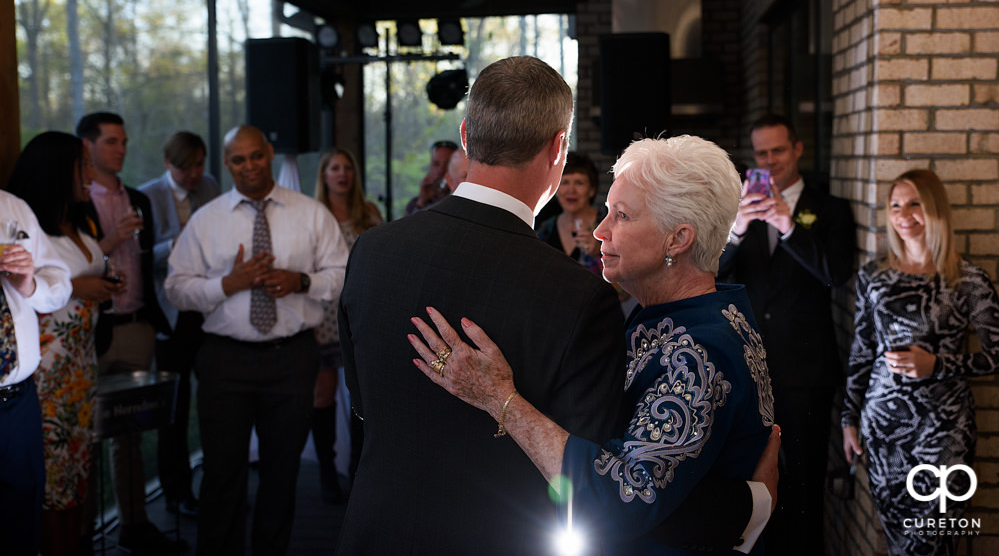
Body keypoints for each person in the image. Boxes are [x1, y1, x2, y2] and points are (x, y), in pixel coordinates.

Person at [338, 56, 774, 555]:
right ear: (558, 148)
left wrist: (503, 399)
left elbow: (614, 492)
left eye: (621, 213)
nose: (601, 229)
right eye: (607, 209)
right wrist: (750, 503)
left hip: (374, 531)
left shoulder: (371, 252)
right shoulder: (576, 294)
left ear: (465, 135)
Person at [166, 126, 348, 556]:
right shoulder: (207, 220)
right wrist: (228, 284)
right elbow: (177, 287)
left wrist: (300, 280)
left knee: (281, 475)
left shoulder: (311, 213)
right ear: (226, 164)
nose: (248, 166)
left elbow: (343, 275)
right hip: (224, 362)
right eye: (237, 160)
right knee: (222, 474)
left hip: (292, 358)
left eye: (255, 156)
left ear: (269, 153)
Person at [842, 169, 999, 555]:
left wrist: (938, 366)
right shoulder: (873, 277)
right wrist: (848, 419)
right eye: (895, 205)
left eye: (914, 203)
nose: (903, 213)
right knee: (900, 542)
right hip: (883, 431)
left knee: (933, 541)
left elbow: (997, 355)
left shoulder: (968, 280)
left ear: (935, 208)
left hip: (944, 431)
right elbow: (861, 352)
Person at [717, 114, 855, 555]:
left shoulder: (829, 208)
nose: (770, 160)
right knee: (750, 477)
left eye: (778, 150)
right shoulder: (740, 208)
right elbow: (710, 274)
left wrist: (789, 225)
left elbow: (836, 273)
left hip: (806, 371)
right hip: (749, 368)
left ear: (797, 149)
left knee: (805, 479)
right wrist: (736, 230)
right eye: (761, 153)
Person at [75, 112, 180, 552]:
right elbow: (70, 269)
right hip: (92, 331)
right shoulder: (76, 203)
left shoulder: (137, 196)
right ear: (88, 147)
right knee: (85, 435)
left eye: (124, 140)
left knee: (131, 432)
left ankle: (134, 524)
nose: (122, 148)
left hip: (137, 325)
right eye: (112, 141)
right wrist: (114, 238)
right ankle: (81, 532)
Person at [6, 132, 114, 556]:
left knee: (73, 475)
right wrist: (83, 287)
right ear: (56, 171)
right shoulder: (27, 221)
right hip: (49, 371)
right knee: (51, 483)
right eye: (82, 166)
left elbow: (61, 279)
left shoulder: (76, 220)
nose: (91, 175)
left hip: (80, 366)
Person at [139, 131, 221, 518]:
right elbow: (143, 260)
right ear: (167, 164)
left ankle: (218, 484)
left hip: (207, 310)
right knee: (174, 408)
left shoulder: (210, 186)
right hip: (169, 314)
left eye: (199, 165)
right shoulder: (147, 195)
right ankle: (176, 491)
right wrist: (179, 245)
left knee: (215, 401)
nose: (193, 174)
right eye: (184, 167)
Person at [0, 189, 73, 556]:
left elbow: (60, 283)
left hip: (19, 402)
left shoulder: (13, 206)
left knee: (22, 518)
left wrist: (28, 283)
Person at [311, 147, 382, 503]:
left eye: (347, 168)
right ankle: (326, 473)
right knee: (322, 394)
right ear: (323, 176)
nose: (342, 174)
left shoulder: (368, 212)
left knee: (361, 392)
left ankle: (358, 471)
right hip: (322, 313)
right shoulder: (313, 215)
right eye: (334, 168)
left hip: (361, 312)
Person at [535, 151, 604, 274]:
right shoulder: (546, 229)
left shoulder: (606, 225)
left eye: (579, 183)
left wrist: (600, 252)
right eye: (565, 182)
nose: (571, 190)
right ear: (555, 189)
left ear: (592, 190)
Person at [404, 139, 457, 214]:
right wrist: (421, 202)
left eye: (447, 164)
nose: (441, 170)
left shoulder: (462, 199)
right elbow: (408, 225)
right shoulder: (414, 204)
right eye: (436, 164)